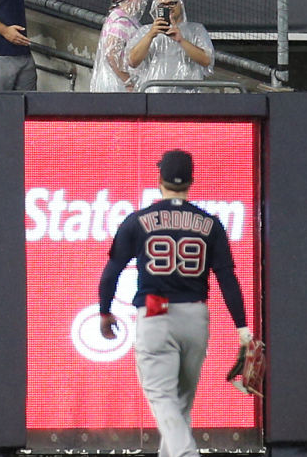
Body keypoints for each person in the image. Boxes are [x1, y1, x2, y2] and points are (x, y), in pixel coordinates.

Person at [98, 149, 253, 457]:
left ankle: (186, 454)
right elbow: (227, 280)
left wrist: (104, 311)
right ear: (191, 181)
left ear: (160, 180)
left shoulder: (139, 221)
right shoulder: (210, 223)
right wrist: (242, 327)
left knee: (162, 397)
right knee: (180, 405)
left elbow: (111, 272)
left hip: (156, 310)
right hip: (195, 315)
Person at [126, 0, 215, 93]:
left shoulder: (196, 30)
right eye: (163, 5)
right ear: (156, 7)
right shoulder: (145, 31)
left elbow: (207, 60)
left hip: (188, 95)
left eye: (172, 3)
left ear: (181, 5)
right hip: (154, 95)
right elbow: (132, 61)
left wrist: (181, 40)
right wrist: (150, 35)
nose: (168, 7)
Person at [91, 0, 149, 92]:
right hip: (118, 85)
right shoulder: (122, 20)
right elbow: (112, 52)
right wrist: (128, 82)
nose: (143, 2)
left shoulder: (117, 16)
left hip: (115, 82)